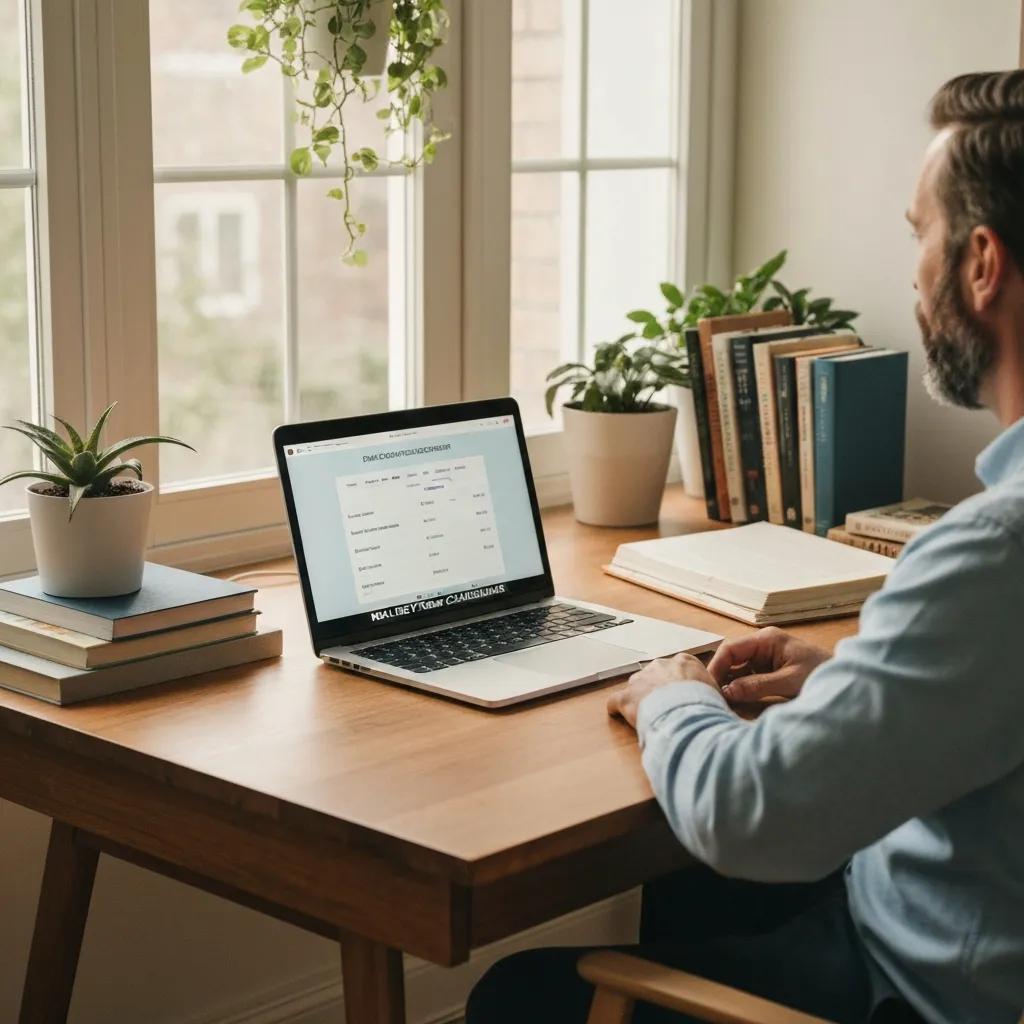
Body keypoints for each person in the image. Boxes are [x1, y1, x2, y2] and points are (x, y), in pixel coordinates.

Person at [466, 69, 1024, 1024]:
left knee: (516, 995)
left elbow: (745, 814)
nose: (912, 272)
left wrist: (671, 698)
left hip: (920, 987)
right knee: (693, 890)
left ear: (980, 263)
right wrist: (852, 679)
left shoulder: (992, 553)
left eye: (917, 233)